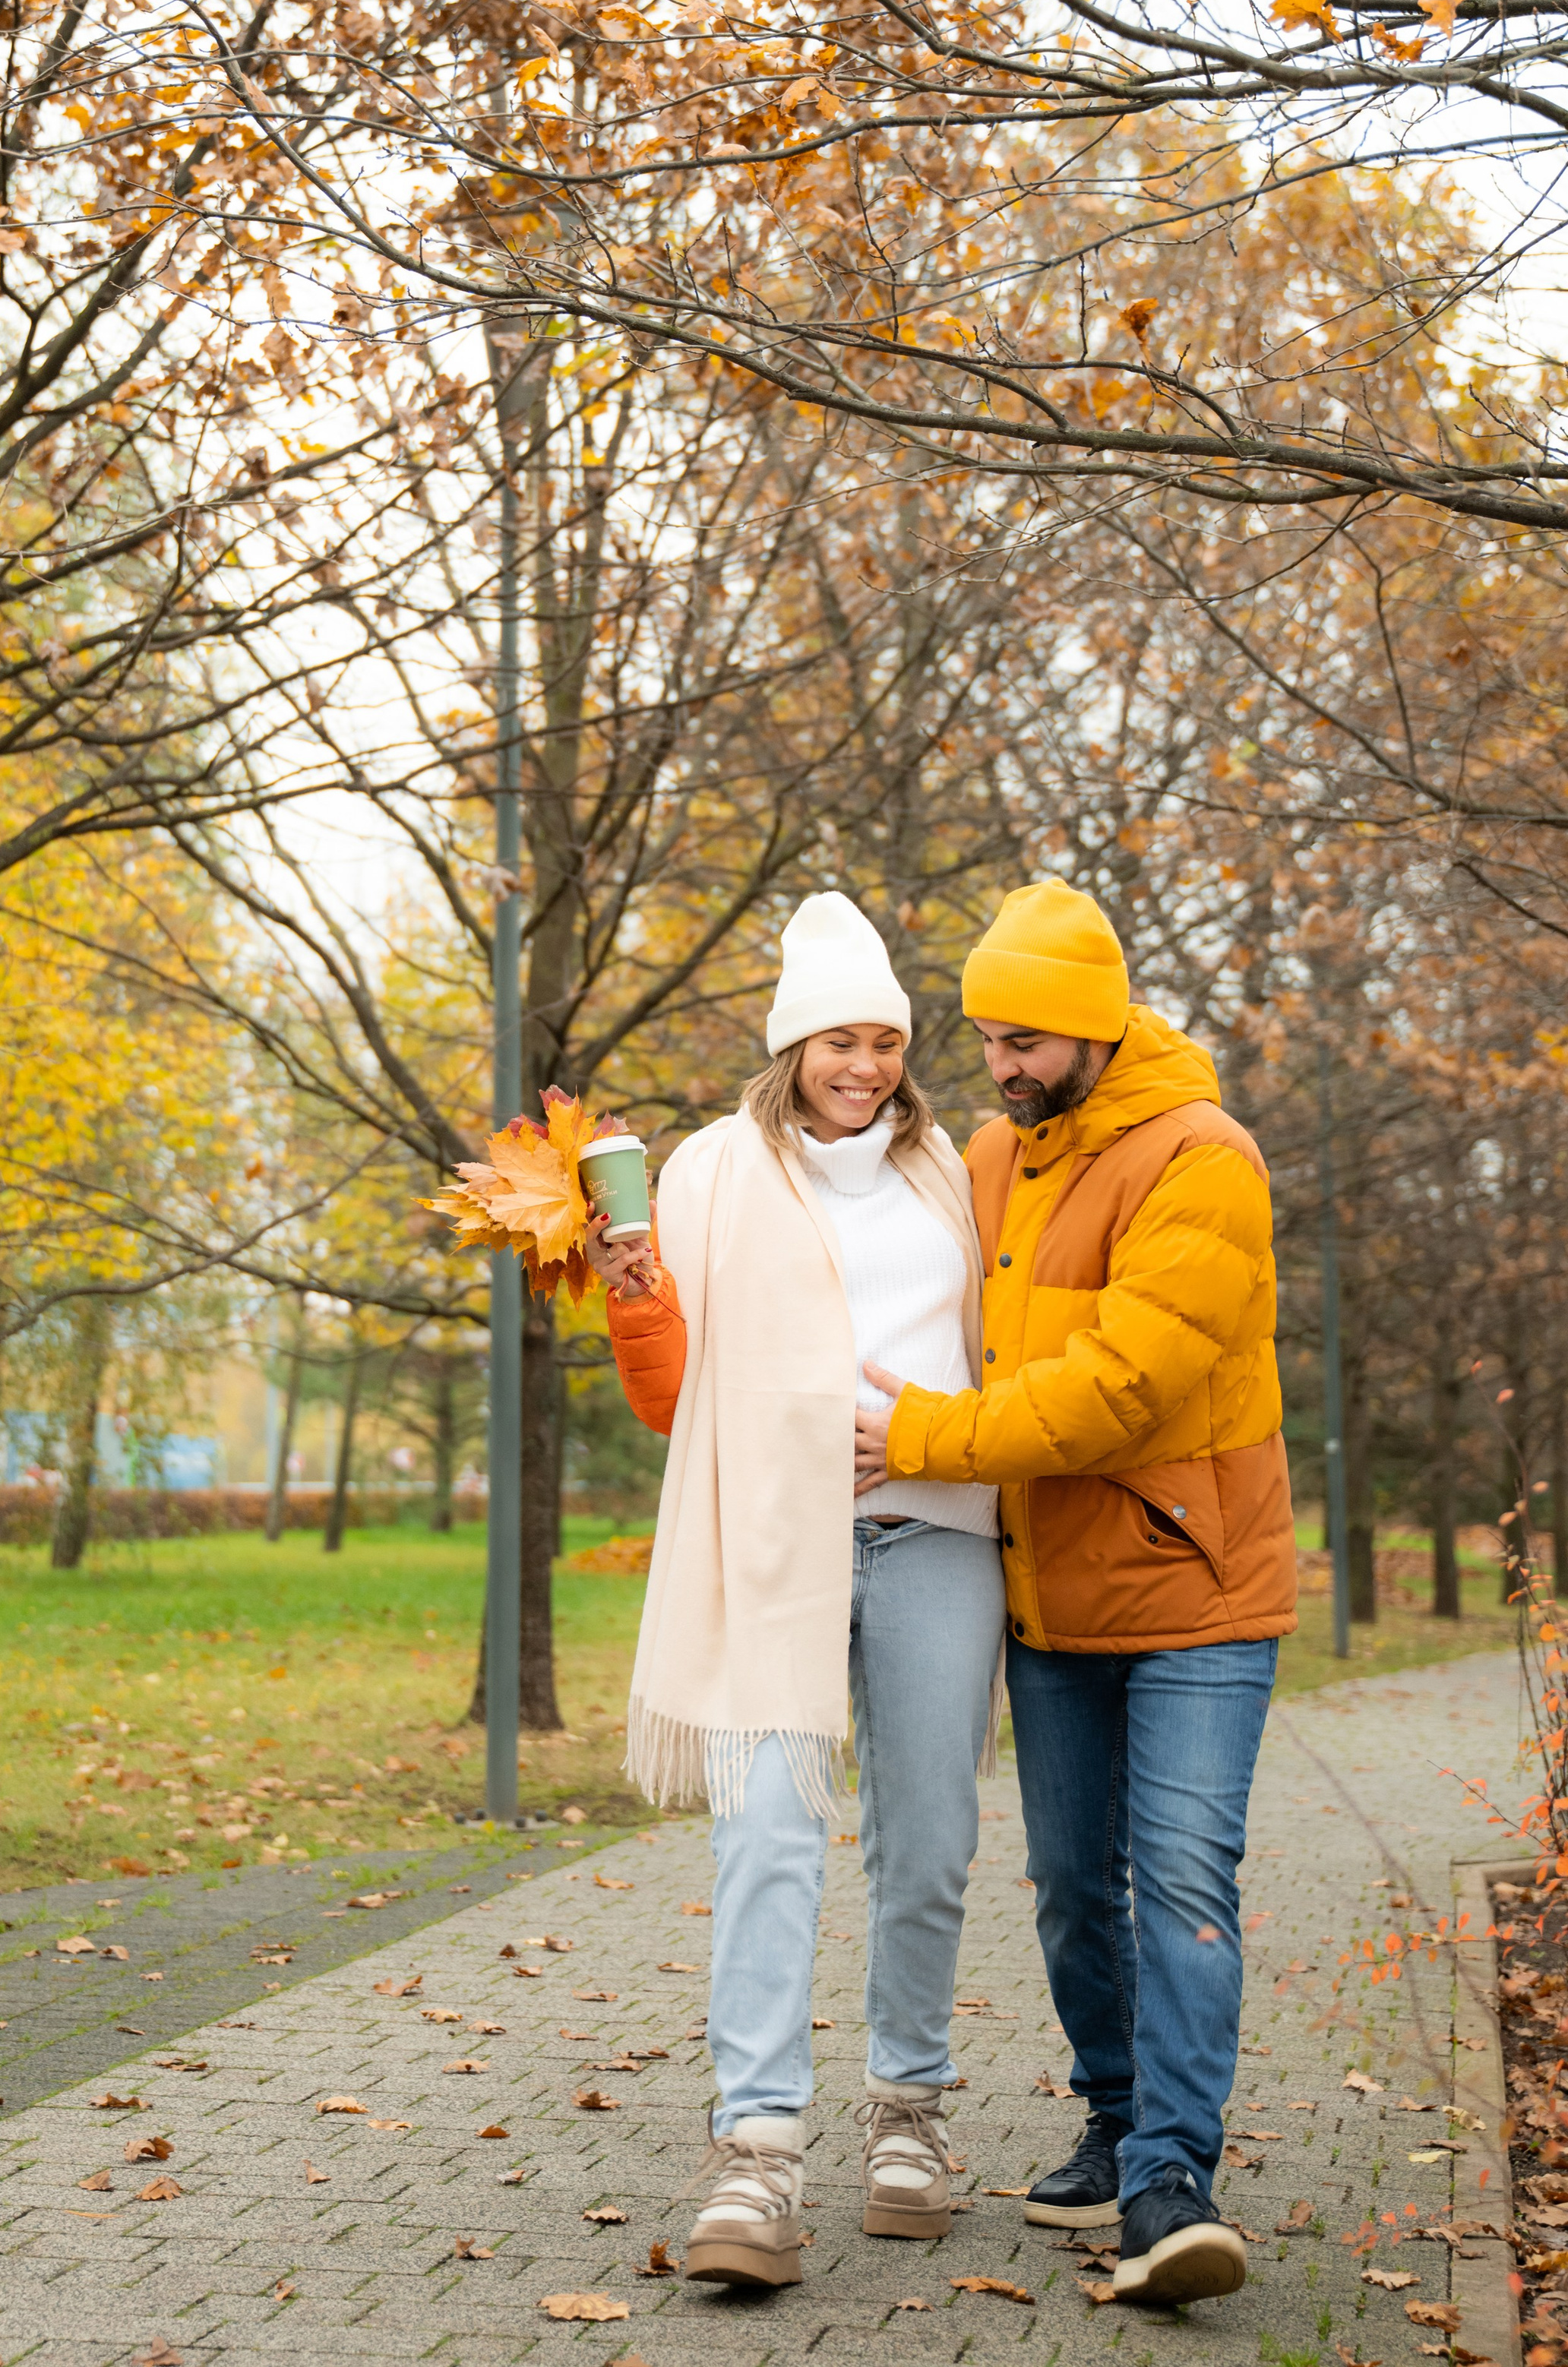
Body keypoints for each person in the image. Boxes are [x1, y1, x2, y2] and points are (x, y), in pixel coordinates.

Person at [852, 880, 1296, 2309]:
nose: (1002, 1064)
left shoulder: (1204, 1155)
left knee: (1182, 1878)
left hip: (1199, 1591)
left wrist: (921, 1435)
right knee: (1067, 1890)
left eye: (1028, 1039)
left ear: (1099, 1026)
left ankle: (1171, 2175)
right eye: (987, 1037)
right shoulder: (992, 1155)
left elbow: (1124, 1387)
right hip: (1051, 1593)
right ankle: (1114, 2114)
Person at [586, 891, 1004, 2292]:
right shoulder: (710, 1170)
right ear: (792, 1048)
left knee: (929, 1838)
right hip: (774, 1537)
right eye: (841, 1041)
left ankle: (909, 2116)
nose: (866, 1066)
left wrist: (941, 1442)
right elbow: (669, 1394)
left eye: (886, 1041)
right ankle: (757, 2149)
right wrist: (634, 1292)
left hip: (935, 1529)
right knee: (765, 1831)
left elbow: (994, 1349)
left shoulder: (949, 1170)